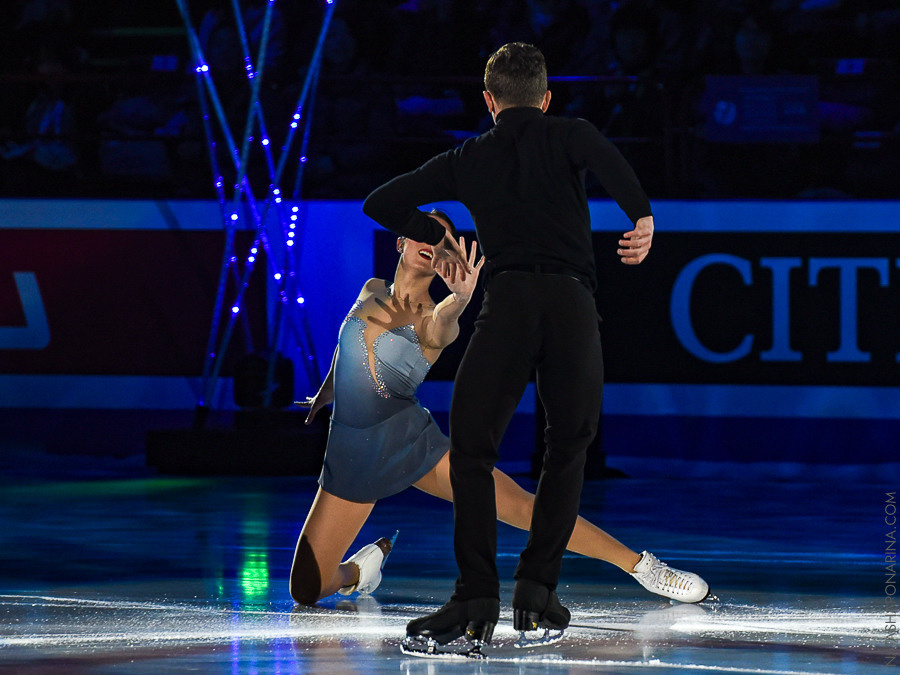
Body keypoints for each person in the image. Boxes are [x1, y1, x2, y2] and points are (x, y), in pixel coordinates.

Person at [362, 43, 662, 652]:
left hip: (509, 306)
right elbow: (610, 160)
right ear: (546, 99)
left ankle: (476, 597)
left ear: (489, 101)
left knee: (472, 451)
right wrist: (642, 217)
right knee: (568, 445)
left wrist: (437, 235)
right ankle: (536, 590)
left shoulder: (471, 155)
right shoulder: (570, 132)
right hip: (572, 306)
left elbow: (381, 203)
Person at [289, 209, 707, 608]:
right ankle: (359, 573)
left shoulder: (433, 320)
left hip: (408, 443)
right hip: (349, 453)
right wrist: (327, 391)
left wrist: (462, 297)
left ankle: (644, 567)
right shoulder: (371, 288)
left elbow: (448, 319)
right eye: (423, 232)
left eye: (441, 239)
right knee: (307, 588)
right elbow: (350, 350)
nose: (430, 243)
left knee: (525, 508)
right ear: (401, 241)